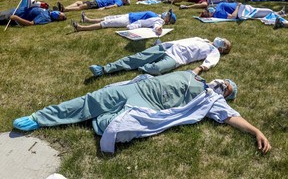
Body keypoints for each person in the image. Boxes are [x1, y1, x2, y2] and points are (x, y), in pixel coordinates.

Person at [13, 70, 271, 154]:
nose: (223, 86)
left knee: (117, 128)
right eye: (225, 82)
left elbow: (231, 117)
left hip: (148, 106)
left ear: (226, 96)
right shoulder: (194, 74)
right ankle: (39, 118)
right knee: (90, 99)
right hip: (137, 89)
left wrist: (256, 130)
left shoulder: (212, 100)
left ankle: (100, 120)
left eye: (227, 90)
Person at [88, 37, 231, 77]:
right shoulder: (202, 39)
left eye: (223, 42)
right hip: (166, 48)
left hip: (177, 58)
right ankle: (104, 69)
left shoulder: (215, 51)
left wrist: (202, 67)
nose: (221, 39)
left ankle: (142, 67)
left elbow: (211, 61)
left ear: (222, 49)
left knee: (157, 69)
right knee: (136, 57)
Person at [71, 9, 176, 34]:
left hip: (128, 20)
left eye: (168, 15)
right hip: (128, 15)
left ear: (167, 20)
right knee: (108, 18)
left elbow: (157, 26)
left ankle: (81, 28)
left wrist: (158, 29)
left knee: (106, 24)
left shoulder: (160, 21)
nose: (166, 13)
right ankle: (87, 20)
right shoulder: (158, 16)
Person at [200, 2, 286, 19]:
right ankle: (278, 14)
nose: (208, 10)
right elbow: (232, 17)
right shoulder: (218, 13)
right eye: (207, 12)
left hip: (243, 7)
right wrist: (238, 6)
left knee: (262, 11)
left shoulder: (217, 8)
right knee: (262, 12)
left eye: (206, 10)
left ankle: (278, 13)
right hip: (242, 11)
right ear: (210, 16)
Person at [0, 6, 66, 26]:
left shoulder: (45, 18)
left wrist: (16, 18)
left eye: (59, 16)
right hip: (15, 10)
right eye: (59, 13)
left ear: (58, 19)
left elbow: (31, 23)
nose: (58, 13)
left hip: (12, 16)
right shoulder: (49, 11)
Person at [56, 0, 130, 12]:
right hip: (96, 1)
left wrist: (104, 8)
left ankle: (64, 9)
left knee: (81, 6)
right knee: (78, 2)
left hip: (98, 4)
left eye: (126, 0)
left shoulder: (120, 2)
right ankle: (64, 8)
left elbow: (114, 6)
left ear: (125, 2)